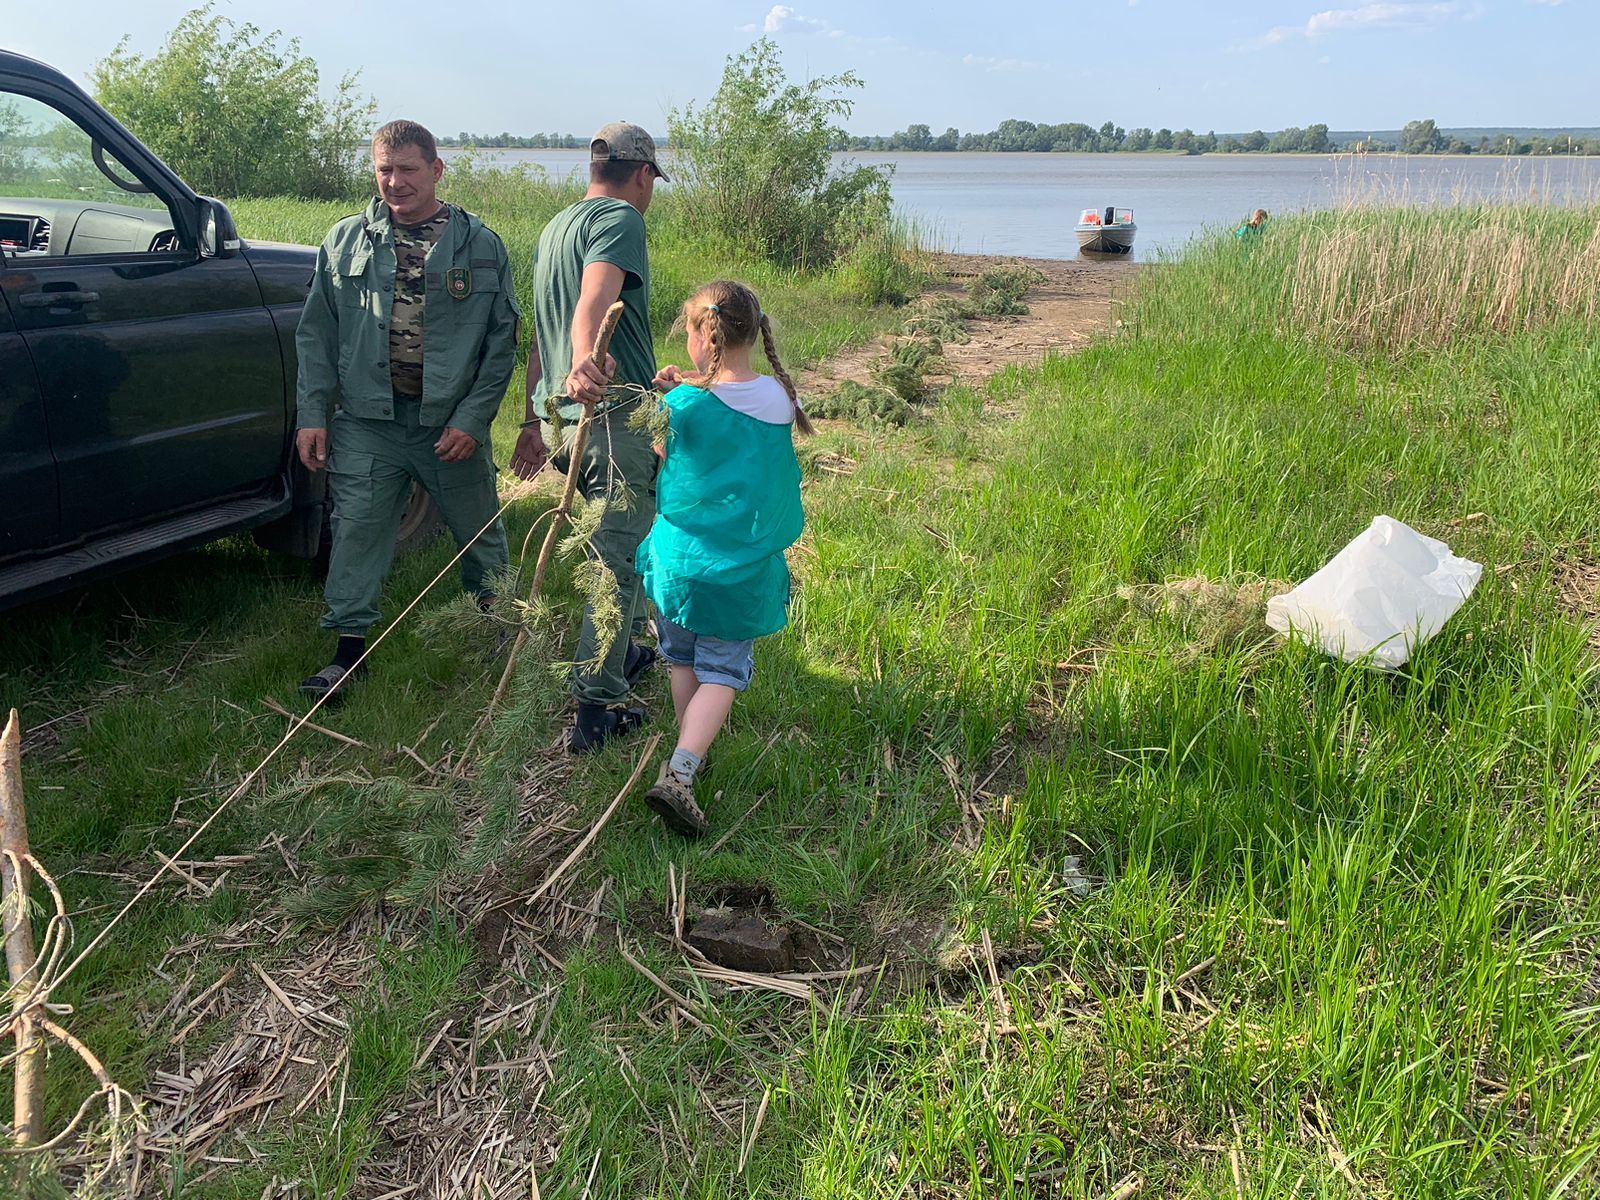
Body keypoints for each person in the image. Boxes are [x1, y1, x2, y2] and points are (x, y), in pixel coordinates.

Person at [294, 120, 521, 699]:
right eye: (383, 170)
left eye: (408, 170)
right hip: (369, 422)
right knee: (357, 533)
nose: (394, 182)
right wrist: (312, 413)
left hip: (448, 425)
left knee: (479, 534)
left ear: (437, 170)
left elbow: (501, 345)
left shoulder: (479, 245)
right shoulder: (346, 241)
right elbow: (316, 335)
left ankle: (503, 637)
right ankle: (348, 656)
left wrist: (472, 421)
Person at [634, 281, 812, 837]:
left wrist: (674, 390)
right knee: (725, 670)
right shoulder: (781, 399)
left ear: (701, 335)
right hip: (738, 568)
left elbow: (666, 456)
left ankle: (688, 752)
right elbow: (739, 403)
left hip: (677, 562)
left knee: (683, 659)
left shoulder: (680, 403)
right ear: (753, 333)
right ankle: (683, 771)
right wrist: (687, 385)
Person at [511, 122, 668, 753]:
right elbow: (592, 301)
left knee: (617, 542)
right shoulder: (622, 220)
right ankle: (595, 709)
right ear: (641, 174)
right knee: (615, 557)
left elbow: (538, 329)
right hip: (607, 417)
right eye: (652, 179)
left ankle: (625, 652)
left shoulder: (557, 227)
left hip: (566, 420)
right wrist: (584, 361)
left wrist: (531, 416)